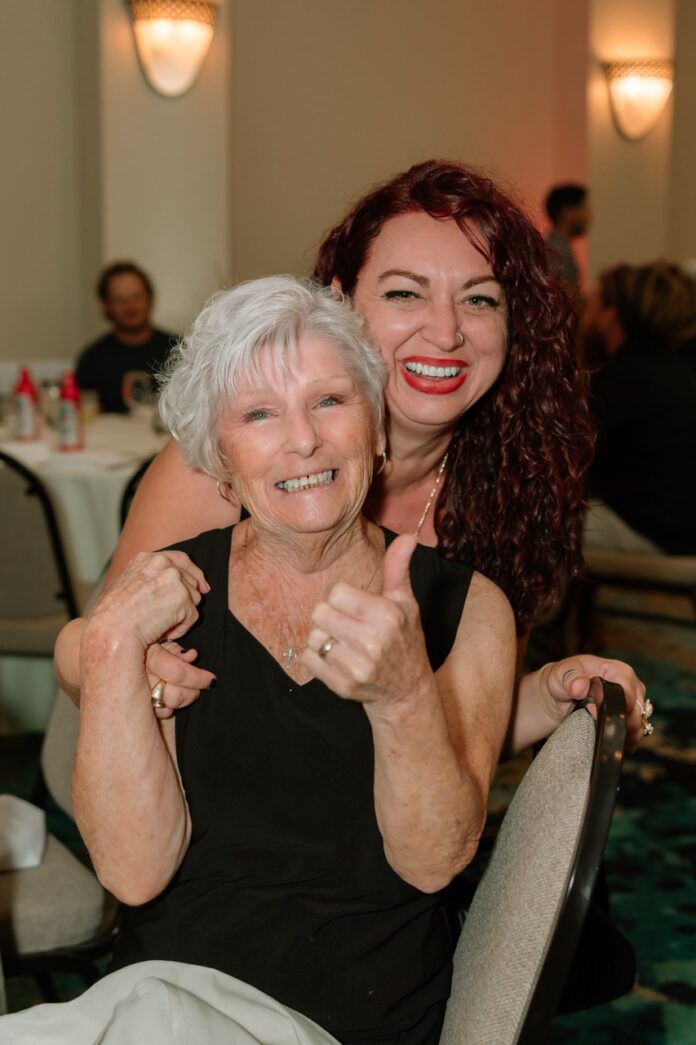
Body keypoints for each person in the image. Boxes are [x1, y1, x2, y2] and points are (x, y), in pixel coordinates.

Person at [56, 160, 647, 753]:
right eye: (404, 293)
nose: (445, 332)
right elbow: (98, 661)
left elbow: (459, 735)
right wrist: (147, 689)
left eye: (479, 300)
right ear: (340, 302)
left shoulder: (516, 492)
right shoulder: (221, 468)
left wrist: (547, 693)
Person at [69, 276, 516, 1044]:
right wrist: (112, 650)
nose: (302, 439)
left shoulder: (469, 608)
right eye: (259, 414)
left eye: (330, 401)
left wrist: (405, 694)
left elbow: (434, 862)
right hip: (171, 997)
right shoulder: (168, 598)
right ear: (219, 460)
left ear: (376, 428)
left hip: (358, 1014)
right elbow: (132, 872)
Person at [584, 260, 696, 555]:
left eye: (593, 301)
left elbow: (570, 455)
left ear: (612, 315)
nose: (584, 309)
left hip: (654, 533)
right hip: (681, 529)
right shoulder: (679, 370)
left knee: (524, 526)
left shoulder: (622, 377)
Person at [75, 261, 176, 413]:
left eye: (137, 297)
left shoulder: (178, 351)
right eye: (120, 300)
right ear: (106, 306)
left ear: (149, 299)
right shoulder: (92, 359)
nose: (130, 306)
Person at [544, 183, 590, 292]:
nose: (588, 216)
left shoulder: (558, 246)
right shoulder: (557, 250)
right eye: (584, 208)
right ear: (567, 212)